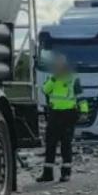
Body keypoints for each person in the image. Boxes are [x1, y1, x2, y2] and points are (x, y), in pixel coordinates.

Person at [38, 55, 89, 183]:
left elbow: (81, 97)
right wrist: (54, 78)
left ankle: (66, 174)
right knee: (50, 145)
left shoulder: (73, 79)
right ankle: (47, 174)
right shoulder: (53, 79)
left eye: (60, 66)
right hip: (54, 114)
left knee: (66, 145)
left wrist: (84, 112)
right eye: (56, 66)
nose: (58, 68)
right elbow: (45, 90)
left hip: (68, 115)